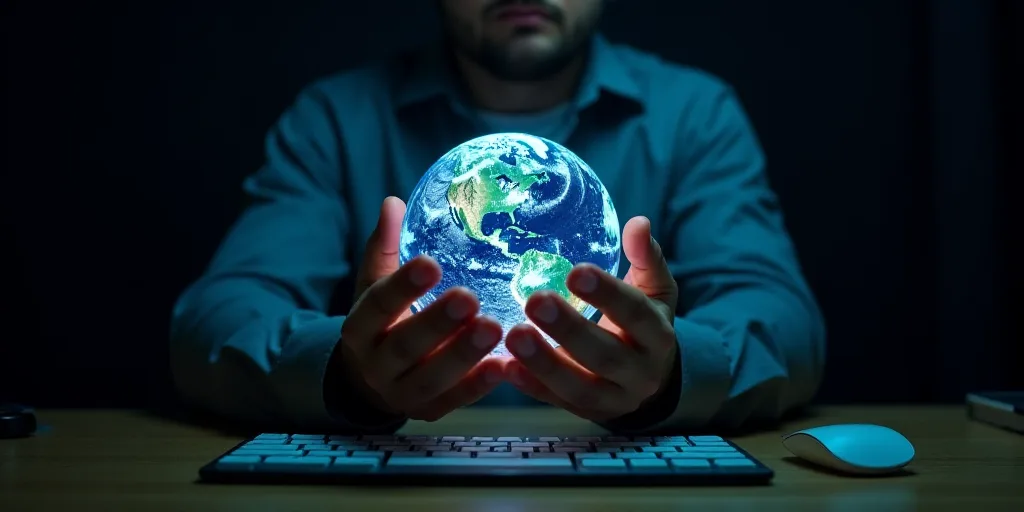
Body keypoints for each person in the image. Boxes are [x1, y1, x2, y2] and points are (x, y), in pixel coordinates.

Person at [169, 0, 826, 434]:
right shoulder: (335, 118)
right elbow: (216, 320)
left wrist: (670, 373)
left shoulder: (695, 113)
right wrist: (346, 377)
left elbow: (782, 319)